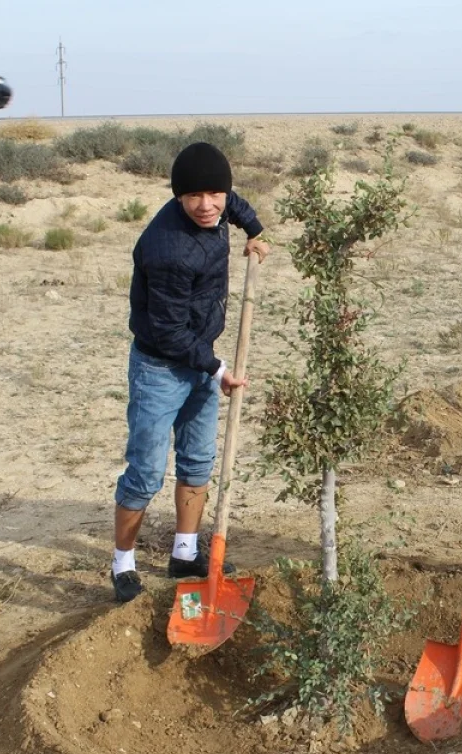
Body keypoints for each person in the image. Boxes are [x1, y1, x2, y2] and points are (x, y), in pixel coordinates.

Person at [110, 141, 271, 603]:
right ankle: (122, 565)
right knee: (145, 473)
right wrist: (218, 369)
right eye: (194, 196)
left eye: (214, 194)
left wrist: (254, 231)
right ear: (178, 196)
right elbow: (169, 333)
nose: (207, 205)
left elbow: (233, 204)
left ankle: (185, 554)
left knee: (198, 461)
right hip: (160, 368)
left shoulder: (219, 206)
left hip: (201, 358)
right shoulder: (168, 250)